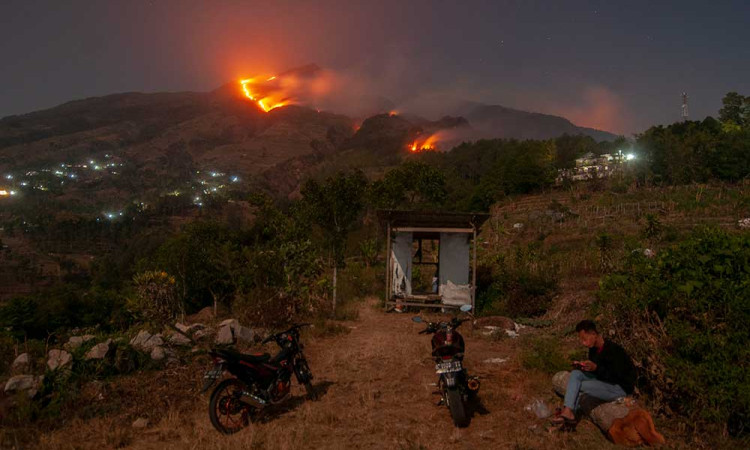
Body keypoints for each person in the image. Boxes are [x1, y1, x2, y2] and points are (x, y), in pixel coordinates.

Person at [554, 319, 636, 425]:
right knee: (575, 374)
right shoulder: (593, 350)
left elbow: (616, 376)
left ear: (593, 333)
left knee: (581, 385)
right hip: (603, 383)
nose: (583, 343)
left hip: (619, 388)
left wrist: (596, 368)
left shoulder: (614, 350)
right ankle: (568, 411)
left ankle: (569, 413)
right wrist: (583, 367)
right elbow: (598, 374)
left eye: (585, 339)